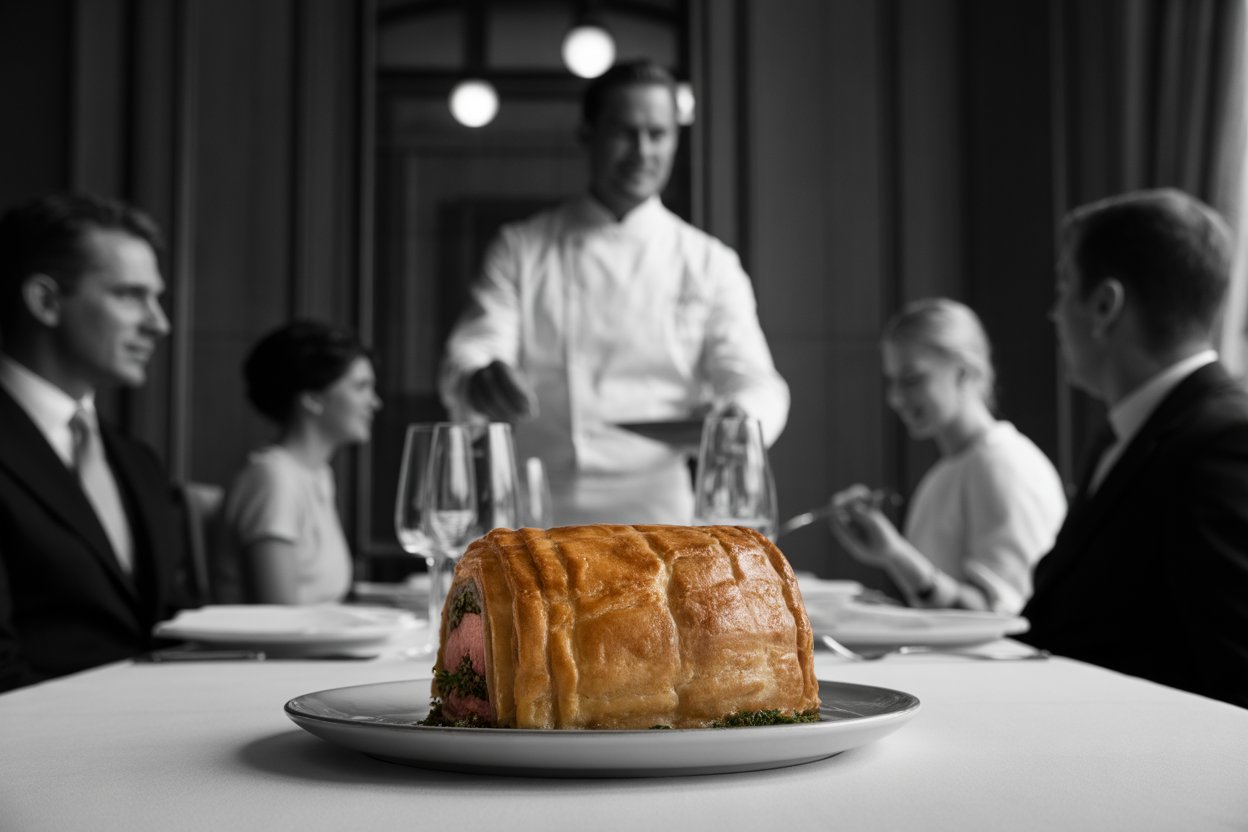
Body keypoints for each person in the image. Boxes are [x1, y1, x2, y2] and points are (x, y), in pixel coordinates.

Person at [438, 60, 789, 526]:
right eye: (625, 133)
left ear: (675, 139)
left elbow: (755, 379)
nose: (643, 152)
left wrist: (739, 417)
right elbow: (476, 345)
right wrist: (480, 376)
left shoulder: (707, 262)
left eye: (658, 134)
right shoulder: (522, 246)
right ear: (588, 133)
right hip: (540, 509)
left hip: (661, 513)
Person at [1021, 188, 1248, 708]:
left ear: (1104, 305)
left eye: (1062, 288)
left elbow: (1238, 675)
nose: (1054, 313)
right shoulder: (1125, 431)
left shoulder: (1224, 443)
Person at [0, 192, 186, 692]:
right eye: (130, 295)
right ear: (46, 301)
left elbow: (171, 630)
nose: (159, 324)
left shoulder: (138, 461)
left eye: (157, 298)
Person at [828, 298, 1066, 614]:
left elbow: (998, 616)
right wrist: (887, 553)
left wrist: (897, 554)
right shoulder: (950, 470)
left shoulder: (1002, 465)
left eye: (912, 380)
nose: (896, 398)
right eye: (892, 381)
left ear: (963, 373)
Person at [214, 320, 380, 605]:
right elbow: (281, 619)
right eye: (361, 387)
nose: (375, 402)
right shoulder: (272, 478)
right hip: (281, 651)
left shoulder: (317, 474)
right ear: (313, 398)